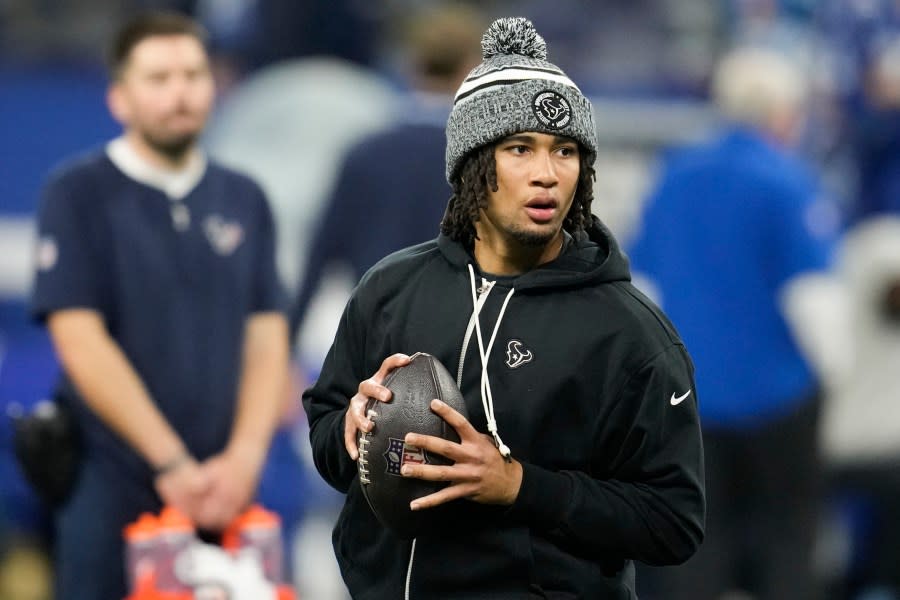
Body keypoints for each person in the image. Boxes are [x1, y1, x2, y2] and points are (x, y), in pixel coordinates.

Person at [302, 17, 705, 598]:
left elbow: (674, 522)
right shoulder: (389, 289)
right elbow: (326, 430)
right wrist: (349, 429)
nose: (546, 174)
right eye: (520, 149)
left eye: (565, 151)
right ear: (473, 166)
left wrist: (519, 485)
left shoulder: (630, 333)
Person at [28, 12, 289, 600]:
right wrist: (170, 463)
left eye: (193, 74)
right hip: (109, 478)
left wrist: (246, 459)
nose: (180, 92)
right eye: (159, 77)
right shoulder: (76, 193)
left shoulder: (245, 197)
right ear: (119, 98)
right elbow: (79, 339)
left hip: (229, 485)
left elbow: (268, 334)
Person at [628, 47, 846, 600]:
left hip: (689, 398)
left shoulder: (674, 176)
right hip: (776, 399)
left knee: (693, 543)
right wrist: (836, 381)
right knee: (785, 542)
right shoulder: (787, 182)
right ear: (783, 113)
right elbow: (813, 300)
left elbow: (643, 288)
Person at [289, 4, 484, 341]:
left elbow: (320, 255)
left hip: (375, 340)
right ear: (472, 68)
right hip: (463, 341)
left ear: (411, 65)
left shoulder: (365, 153)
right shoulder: (487, 160)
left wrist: (287, 345)